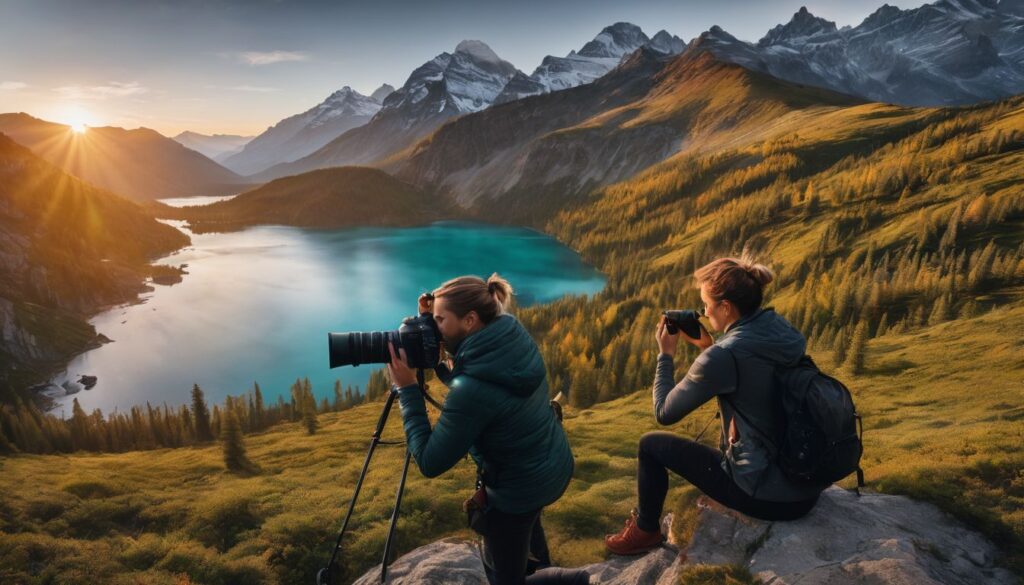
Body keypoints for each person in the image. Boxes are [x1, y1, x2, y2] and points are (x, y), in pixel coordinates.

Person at [605, 257, 827, 555]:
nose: (703, 312)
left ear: (725, 307)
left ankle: (645, 531)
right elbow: (753, 377)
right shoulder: (779, 329)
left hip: (765, 496)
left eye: (707, 305)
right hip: (806, 485)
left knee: (650, 446)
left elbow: (664, 413)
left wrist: (666, 355)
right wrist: (709, 347)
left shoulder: (724, 356)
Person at [386, 273, 589, 585]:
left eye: (440, 321)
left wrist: (408, 390)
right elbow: (483, 381)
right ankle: (547, 569)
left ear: (469, 320)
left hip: (515, 490)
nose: (433, 326)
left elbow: (429, 461)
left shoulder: (474, 389)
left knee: (504, 576)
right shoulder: (509, 333)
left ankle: (570, 580)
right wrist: (433, 334)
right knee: (527, 535)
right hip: (550, 465)